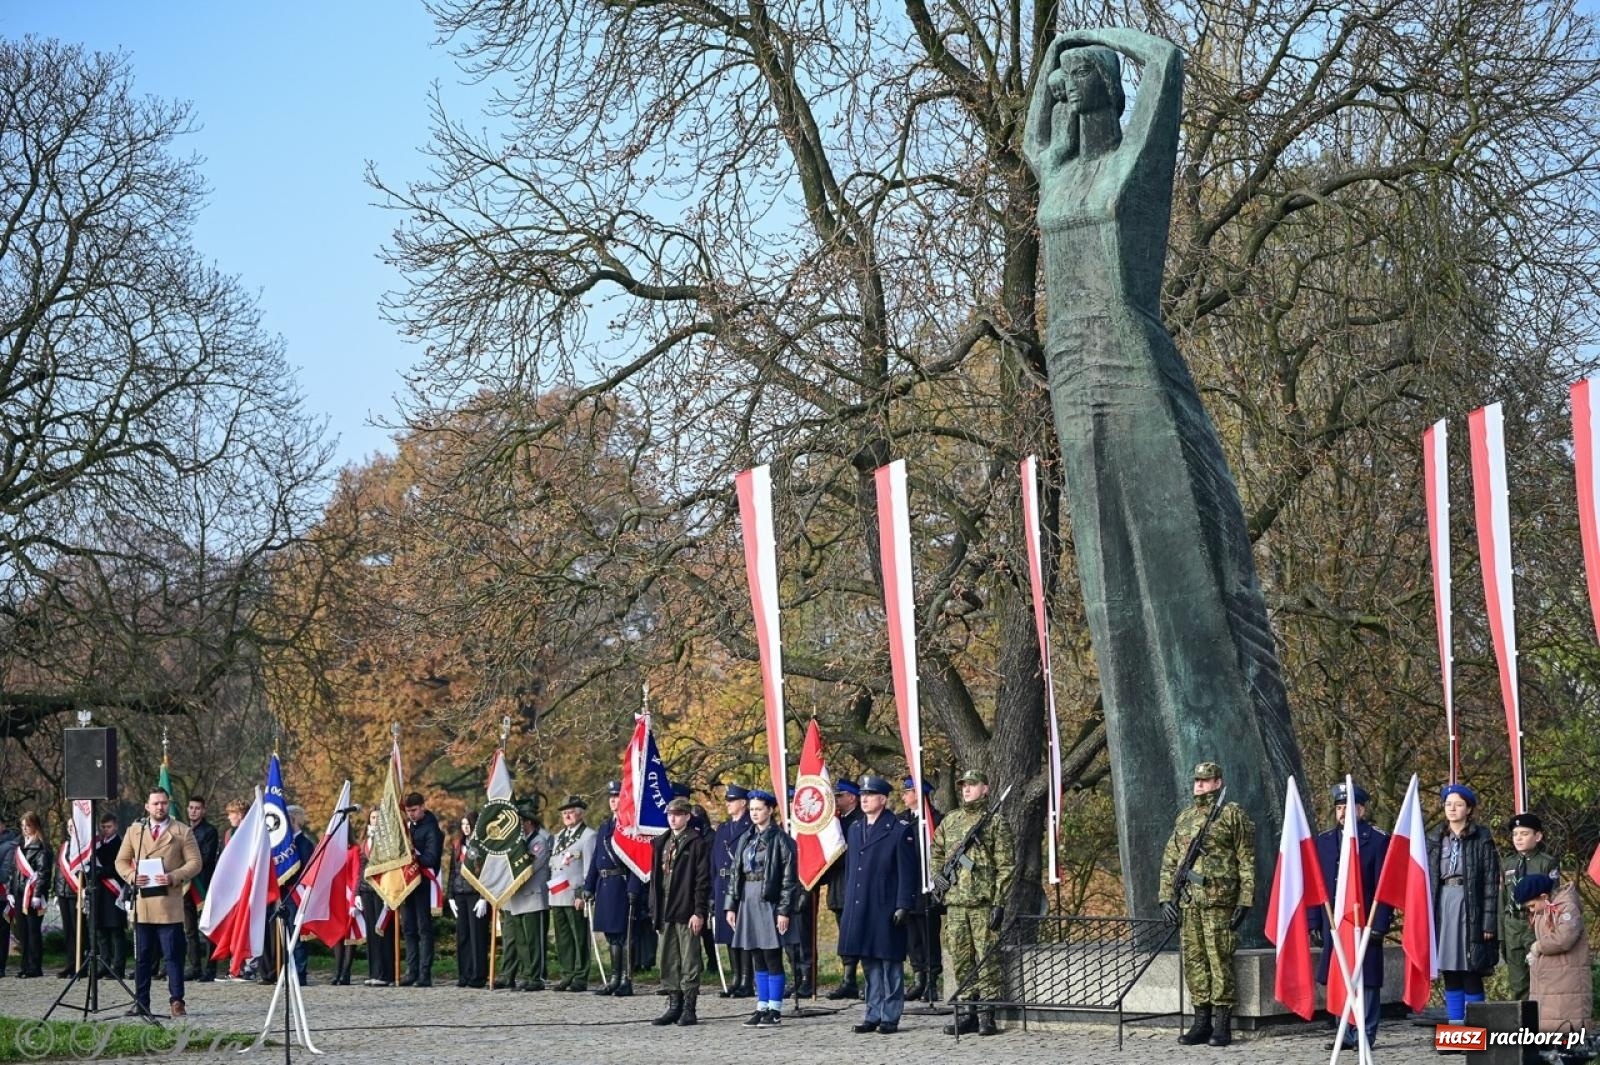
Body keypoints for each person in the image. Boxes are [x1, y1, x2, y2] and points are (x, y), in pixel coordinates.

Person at [1158, 761, 1255, 1048]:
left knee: (1219, 959)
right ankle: (1201, 1022)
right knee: (1195, 962)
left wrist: (1245, 899)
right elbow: (1171, 860)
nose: (1199, 784)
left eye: (1206, 780)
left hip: (1218, 901)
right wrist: (1165, 897)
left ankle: (1222, 1025)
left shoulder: (1231, 814)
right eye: (1197, 780)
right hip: (1189, 903)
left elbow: (1246, 859)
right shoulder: (1185, 817)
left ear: (1218, 782)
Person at [932, 769, 1017, 1038]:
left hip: (982, 903)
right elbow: (936, 851)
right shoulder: (951, 820)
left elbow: (1006, 866)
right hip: (956, 904)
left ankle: (986, 1015)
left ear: (985, 789)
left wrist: (999, 902)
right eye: (964, 785)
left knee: (987, 960)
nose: (966, 789)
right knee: (961, 961)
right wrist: (938, 876)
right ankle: (967, 1012)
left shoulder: (995, 823)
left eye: (972, 784)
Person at [1306, 783, 1391, 1052]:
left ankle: (1365, 1032)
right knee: (1339, 975)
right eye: (1339, 807)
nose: (1343, 812)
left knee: (1366, 978)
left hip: (1364, 920)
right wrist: (1314, 921)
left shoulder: (1377, 840)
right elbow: (1316, 885)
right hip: (1334, 921)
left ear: (1361, 810)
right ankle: (1344, 1030)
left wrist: (1380, 924)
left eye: (1349, 807)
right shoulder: (1324, 841)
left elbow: (1384, 887)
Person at [839, 775, 919, 1035]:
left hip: (885, 905)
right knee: (869, 962)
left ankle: (890, 1016)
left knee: (890, 962)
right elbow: (852, 870)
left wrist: (904, 904)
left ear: (883, 799)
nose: (864, 799)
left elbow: (907, 871)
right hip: (862, 904)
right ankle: (872, 1013)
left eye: (870, 795)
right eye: (862, 795)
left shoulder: (898, 830)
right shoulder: (854, 829)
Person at [115, 787, 203, 1018]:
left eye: (163, 803)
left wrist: (174, 876)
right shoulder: (135, 830)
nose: (159, 807)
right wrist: (132, 876)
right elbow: (121, 861)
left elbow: (196, 862)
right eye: (155, 803)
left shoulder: (182, 831)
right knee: (142, 958)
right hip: (143, 903)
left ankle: (177, 1001)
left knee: (173, 955)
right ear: (147, 806)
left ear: (168, 804)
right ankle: (141, 1002)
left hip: (168, 903)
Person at [723, 788, 799, 1028]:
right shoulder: (746, 837)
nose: (754, 813)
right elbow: (735, 872)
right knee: (756, 954)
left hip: (769, 900)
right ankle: (762, 1006)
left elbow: (789, 879)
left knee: (771, 955)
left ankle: (775, 1010)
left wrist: (784, 910)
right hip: (748, 898)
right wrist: (731, 905)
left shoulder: (781, 840)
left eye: (759, 809)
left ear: (770, 810)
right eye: (752, 809)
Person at [1427, 783, 1501, 1028]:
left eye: (1458, 805)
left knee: (1471, 969)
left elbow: (1490, 882)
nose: (1452, 809)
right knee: (1449, 969)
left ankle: (1474, 1029)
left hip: (1471, 905)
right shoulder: (1435, 838)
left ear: (1468, 809)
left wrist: (1488, 922)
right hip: (1443, 905)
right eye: (1448, 804)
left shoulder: (1482, 838)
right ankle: (1456, 1027)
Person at [651, 796, 712, 1026]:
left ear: (687, 816)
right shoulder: (662, 842)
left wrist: (699, 911)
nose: (673, 819)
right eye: (670, 815)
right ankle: (674, 1004)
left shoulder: (696, 843)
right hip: (666, 906)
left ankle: (689, 1007)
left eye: (677, 815)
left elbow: (702, 880)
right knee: (668, 958)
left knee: (689, 959)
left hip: (686, 907)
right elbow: (656, 880)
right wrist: (655, 911)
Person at [581, 780, 644, 997]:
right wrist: (589, 886)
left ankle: (626, 979)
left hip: (622, 885)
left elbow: (637, 860)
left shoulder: (630, 827)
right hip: (605, 886)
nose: (613, 801)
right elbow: (595, 859)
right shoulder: (605, 827)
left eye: (617, 797)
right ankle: (614, 978)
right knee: (611, 935)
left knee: (625, 935)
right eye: (611, 797)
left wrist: (634, 887)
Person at [1512, 873, 1591, 1034]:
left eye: (1532, 905)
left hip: (1567, 978)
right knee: (1548, 1022)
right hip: (1550, 980)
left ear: (1544, 896)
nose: (1531, 910)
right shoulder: (1542, 911)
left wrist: (1539, 947)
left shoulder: (1567, 908)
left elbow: (1565, 938)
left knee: (1565, 1021)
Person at [1500, 812, 1559, 1002]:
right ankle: (1522, 1018)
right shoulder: (1507, 863)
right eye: (1515, 834)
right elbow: (1502, 899)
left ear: (1538, 836)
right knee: (1517, 981)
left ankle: (1543, 1017)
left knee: (1541, 974)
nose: (1518, 838)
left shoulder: (1546, 862)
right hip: (1512, 924)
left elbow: (1553, 897)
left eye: (1524, 834)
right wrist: (1501, 933)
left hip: (1535, 922)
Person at [497, 804, 551, 991]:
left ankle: (537, 977)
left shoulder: (539, 843)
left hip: (533, 897)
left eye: (520, 821)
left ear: (529, 823)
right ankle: (527, 975)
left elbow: (529, 868)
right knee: (521, 942)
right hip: (518, 898)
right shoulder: (517, 843)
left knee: (534, 941)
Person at [709, 782, 753, 998]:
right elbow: (713, 861)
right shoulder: (723, 829)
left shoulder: (750, 827)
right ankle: (736, 977)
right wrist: (711, 893)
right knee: (728, 933)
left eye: (732, 800)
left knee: (742, 933)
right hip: (722, 884)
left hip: (741, 885)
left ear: (743, 803)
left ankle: (747, 979)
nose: (727, 803)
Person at [548, 795, 596, 991]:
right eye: (564, 813)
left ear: (580, 814)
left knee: (579, 937)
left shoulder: (588, 836)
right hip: (557, 893)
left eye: (570, 812)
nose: (567, 816)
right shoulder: (559, 836)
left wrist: (583, 893)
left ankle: (580, 976)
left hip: (574, 894)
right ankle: (566, 974)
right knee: (563, 938)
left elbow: (589, 868)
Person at [901, 776, 941, 1001]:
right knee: (912, 937)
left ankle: (932, 981)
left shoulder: (935, 820)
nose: (903, 796)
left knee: (928, 937)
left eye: (907, 791)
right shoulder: (902, 820)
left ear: (919, 794)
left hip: (928, 888)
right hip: (908, 887)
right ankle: (918, 978)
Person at [824, 778, 864, 999]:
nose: (836, 800)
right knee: (845, 936)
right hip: (839, 887)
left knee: (860, 933)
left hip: (854, 886)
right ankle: (849, 980)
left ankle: (868, 980)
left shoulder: (860, 821)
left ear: (851, 797)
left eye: (839, 796)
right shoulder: (837, 821)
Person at [399, 791, 443, 987]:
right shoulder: (408, 827)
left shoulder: (431, 829)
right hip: (407, 884)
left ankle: (425, 973)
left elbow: (431, 858)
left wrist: (412, 858)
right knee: (408, 929)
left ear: (423, 807)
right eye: (408, 811)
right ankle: (411, 970)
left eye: (415, 810)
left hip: (423, 884)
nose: (411, 814)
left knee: (423, 929)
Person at [449, 810, 489, 988]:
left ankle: (478, 975)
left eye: (468, 824)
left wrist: (484, 897)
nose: (465, 828)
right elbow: (453, 871)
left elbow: (486, 872)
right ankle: (464, 974)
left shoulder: (482, 845)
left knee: (477, 936)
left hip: (475, 894)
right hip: (460, 894)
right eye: (463, 824)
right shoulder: (458, 845)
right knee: (463, 935)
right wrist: (450, 896)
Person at [183, 796, 220, 982]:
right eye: (191, 807)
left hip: (203, 885)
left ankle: (210, 969)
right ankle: (195, 967)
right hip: (186, 885)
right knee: (189, 929)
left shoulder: (210, 831)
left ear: (203, 810)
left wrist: (185, 866)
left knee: (208, 928)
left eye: (197, 808)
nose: (193, 811)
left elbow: (206, 858)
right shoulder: (183, 830)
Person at [10, 812, 51, 978]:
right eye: (23, 826)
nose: (25, 829)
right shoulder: (20, 846)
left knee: (33, 931)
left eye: (28, 825)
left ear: (35, 826)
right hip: (19, 893)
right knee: (22, 931)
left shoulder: (42, 846)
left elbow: (43, 872)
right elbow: (14, 870)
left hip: (33, 894)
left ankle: (35, 967)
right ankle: (25, 965)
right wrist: (11, 891)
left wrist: (37, 894)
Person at [358, 808, 395, 987]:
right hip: (366, 890)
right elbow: (360, 867)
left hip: (382, 890)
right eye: (373, 817)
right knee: (372, 933)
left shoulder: (388, 841)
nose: (375, 820)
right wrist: (357, 893)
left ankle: (386, 973)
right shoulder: (365, 841)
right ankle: (374, 972)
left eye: (379, 818)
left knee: (383, 931)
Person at [92, 813, 129, 978]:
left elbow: (118, 868)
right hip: (100, 892)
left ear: (115, 826)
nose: (105, 830)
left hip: (114, 892)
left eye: (109, 827)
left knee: (116, 932)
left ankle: (118, 967)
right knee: (101, 932)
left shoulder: (120, 844)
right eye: (103, 827)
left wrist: (100, 871)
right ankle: (105, 964)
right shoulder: (98, 845)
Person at [0, 811, 16, 977]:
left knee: (2, 931)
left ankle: (1, 966)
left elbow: (6, 871)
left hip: (2, 894)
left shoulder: (10, 844)